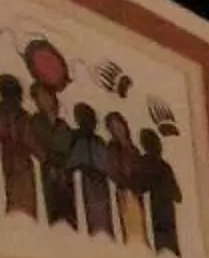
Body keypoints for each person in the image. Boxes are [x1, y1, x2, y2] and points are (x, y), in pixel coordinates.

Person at [0, 74, 38, 220]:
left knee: (25, 197)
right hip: (11, 158)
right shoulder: (1, 111)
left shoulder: (23, 116)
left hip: (22, 161)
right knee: (14, 195)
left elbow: (31, 140)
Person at [69, 100, 113, 238]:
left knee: (101, 220)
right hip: (83, 183)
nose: (86, 123)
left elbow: (106, 164)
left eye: (88, 118)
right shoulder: (74, 137)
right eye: (82, 118)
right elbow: (72, 161)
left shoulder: (98, 141)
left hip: (99, 186)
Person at [33, 86, 76, 228]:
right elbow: (36, 143)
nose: (45, 101)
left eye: (47, 96)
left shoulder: (63, 126)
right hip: (47, 167)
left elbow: (69, 148)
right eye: (41, 98)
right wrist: (48, 161)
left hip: (63, 170)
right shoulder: (36, 121)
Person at [104, 113, 146, 249]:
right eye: (113, 127)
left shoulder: (133, 149)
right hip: (124, 191)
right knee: (129, 224)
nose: (118, 129)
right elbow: (112, 170)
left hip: (136, 192)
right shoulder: (112, 148)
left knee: (140, 223)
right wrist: (125, 183)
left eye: (119, 125)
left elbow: (140, 168)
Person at [138, 128, 179, 256]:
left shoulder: (151, 162)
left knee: (164, 236)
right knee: (166, 237)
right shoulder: (161, 165)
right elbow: (177, 195)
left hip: (161, 205)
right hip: (162, 205)